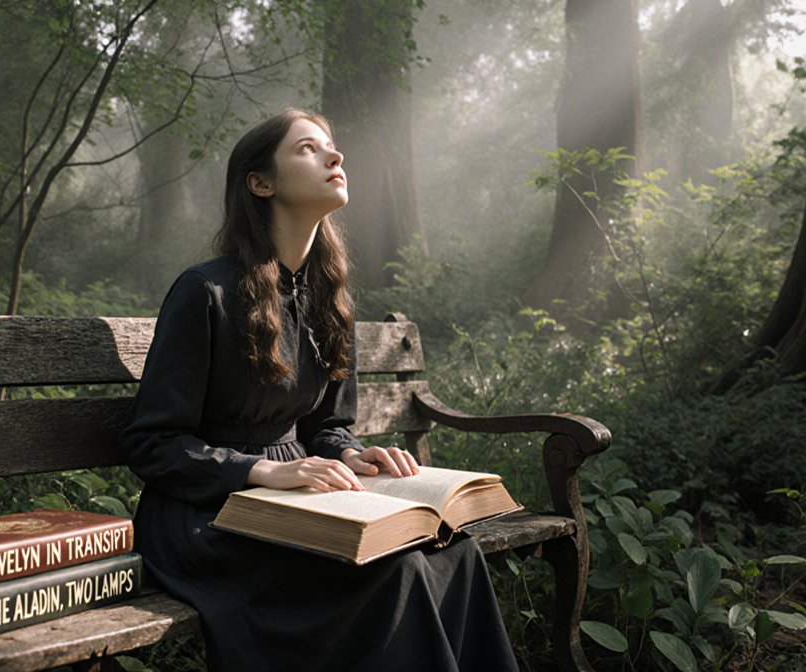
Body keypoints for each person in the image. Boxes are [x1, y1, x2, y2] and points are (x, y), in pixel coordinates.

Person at [122, 109, 519, 672]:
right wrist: (262, 470)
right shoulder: (204, 292)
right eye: (309, 149)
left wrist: (352, 455)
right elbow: (151, 444)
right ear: (260, 183)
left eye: (332, 147)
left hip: (300, 500)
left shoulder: (331, 299)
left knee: (458, 553)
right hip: (206, 516)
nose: (335, 157)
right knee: (395, 573)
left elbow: (325, 428)